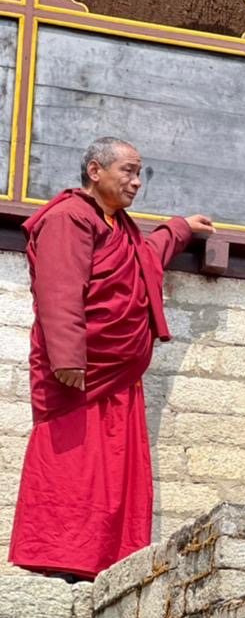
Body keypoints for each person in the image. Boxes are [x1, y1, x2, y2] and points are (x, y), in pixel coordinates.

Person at [9, 137, 214, 580]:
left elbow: (145, 258)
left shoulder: (118, 225)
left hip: (116, 374)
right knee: (73, 465)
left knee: (113, 469)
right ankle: (60, 561)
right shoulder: (68, 218)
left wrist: (180, 227)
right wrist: (68, 356)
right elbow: (59, 290)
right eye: (128, 171)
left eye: (140, 173)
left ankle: (100, 562)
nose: (137, 182)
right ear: (96, 171)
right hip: (80, 372)